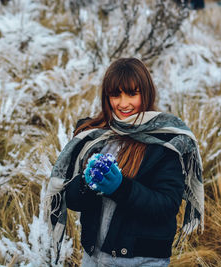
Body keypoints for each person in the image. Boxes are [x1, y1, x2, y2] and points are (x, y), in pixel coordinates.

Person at [46, 58, 204, 266]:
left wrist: (120, 188)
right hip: (94, 258)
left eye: (131, 93)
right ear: (106, 97)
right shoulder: (94, 137)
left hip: (143, 260)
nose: (123, 103)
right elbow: (74, 202)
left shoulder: (165, 141)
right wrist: (85, 184)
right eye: (115, 94)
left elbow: (166, 206)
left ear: (145, 93)